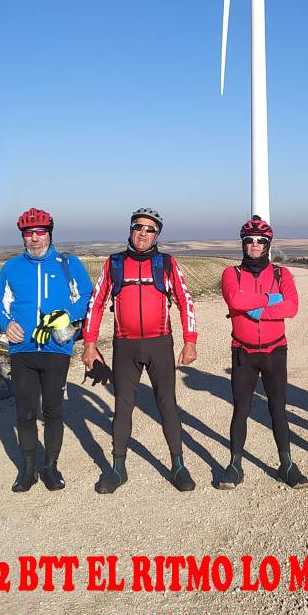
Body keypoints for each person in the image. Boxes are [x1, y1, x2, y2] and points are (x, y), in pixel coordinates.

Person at [82, 207, 197, 494]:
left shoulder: (166, 263)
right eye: (138, 227)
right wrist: (89, 343)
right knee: (122, 406)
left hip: (160, 343)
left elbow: (185, 300)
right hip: (125, 345)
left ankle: (178, 465)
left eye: (150, 229)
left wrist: (190, 340)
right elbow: (96, 303)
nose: (143, 233)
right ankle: (117, 469)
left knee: (167, 404)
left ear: (157, 235)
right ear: (131, 230)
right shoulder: (115, 263)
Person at [0, 208, 93, 493]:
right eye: (29, 233)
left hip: (56, 348)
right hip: (22, 349)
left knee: (52, 410)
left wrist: (67, 315)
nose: (34, 238)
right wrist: (6, 324)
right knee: (25, 412)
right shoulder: (11, 268)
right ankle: (27, 470)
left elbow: (87, 296)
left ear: (49, 234)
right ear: (23, 236)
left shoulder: (69, 264)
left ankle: (50, 467)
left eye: (40, 232)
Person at [219, 215, 308, 489]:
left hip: (275, 351)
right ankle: (235, 465)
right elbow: (235, 299)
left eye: (260, 241)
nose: (255, 245)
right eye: (250, 240)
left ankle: (287, 465)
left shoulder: (282, 274)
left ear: (268, 244)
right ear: (243, 244)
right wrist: (271, 299)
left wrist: (256, 310)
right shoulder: (231, 274)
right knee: (241, 409)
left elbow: (291, 307)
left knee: (278, 409)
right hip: (243, 352)